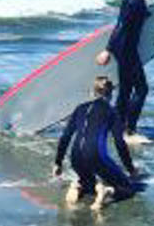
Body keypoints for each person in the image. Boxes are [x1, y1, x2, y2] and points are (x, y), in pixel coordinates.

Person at [53, 76, 141, 209]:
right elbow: (119, 142)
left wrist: (58, 163)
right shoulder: (112, 112)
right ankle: (107, 191)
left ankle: (78, 186)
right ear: (111, 93)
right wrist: (130, 169)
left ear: (92, 92)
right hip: (96, 156)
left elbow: (65, 137)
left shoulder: (80, 108)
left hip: (75, 157)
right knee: (127, 188)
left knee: (89, 184)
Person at [96, 0, 154, 141]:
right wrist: (107, 50)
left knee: (125, 90)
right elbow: (121, 25)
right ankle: (129, 130)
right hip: (126, 50)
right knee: (142, 89)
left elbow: (131, 20)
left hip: (126, 48)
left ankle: (117, 126)